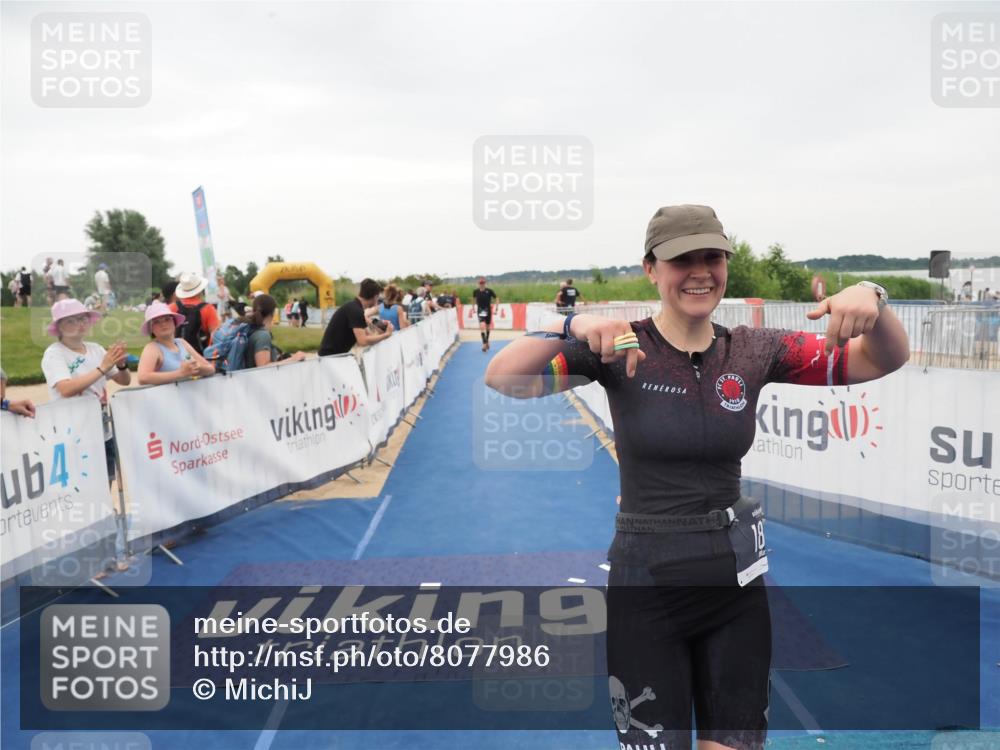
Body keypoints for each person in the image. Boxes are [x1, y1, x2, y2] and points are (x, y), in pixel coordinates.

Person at [485, 204, 910, 750]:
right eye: (682, 259)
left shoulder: (755, 350)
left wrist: (874, 295)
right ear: (650, 270)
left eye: (712, 256)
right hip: (648, 587)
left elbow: (882, 360)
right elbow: (504, 377)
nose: (700, 271)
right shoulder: (621, 346)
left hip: (736, 588)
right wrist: (576, 324)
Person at [41, 298, 132, 484]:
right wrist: (102, 368)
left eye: (82, 319)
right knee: (81, 485)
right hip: (74, 434)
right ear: (59, 328)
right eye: (71, 320)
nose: (79, 324)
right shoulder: (54, 353)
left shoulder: (95, 349)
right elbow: (65, 389)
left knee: (107, 481)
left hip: (102, 430)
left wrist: (121, 365)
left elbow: (124, 381)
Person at [137, 301, 215, 385]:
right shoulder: (152, 348)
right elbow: (143, 378)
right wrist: (180, 373)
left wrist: (197, 367)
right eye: (156, 321)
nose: (163, 324)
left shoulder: (181, 343)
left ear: (174, 322)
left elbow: (211, 369)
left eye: (167, 319)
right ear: (151, 328)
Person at [319, 278, 394, 356]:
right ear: (375, 297)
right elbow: (363, 341)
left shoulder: (354, 307)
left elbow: (369, 335)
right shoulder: (356, 311)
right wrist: (386, 335)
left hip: (332, 356)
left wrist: (381, 326)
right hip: (329, 358)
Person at [239, 294, 306, 368]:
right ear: (273, 312)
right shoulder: (262, 335)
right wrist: (293, 359)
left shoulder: (251, 328)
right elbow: (263, 367)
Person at [170, 271, 220, 354]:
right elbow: (215, 335)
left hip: (177, 355)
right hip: (201, 355)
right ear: (200, 290)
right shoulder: (208, 308)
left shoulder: (172, 307)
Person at [472, 277, 498, 351]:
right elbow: (473, 299)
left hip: (488, 310)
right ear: (479, 284)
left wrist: (496, 308)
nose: (482, 284)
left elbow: (496, 298)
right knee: (482, 326)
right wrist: (473, 308)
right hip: (480, 310)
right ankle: (484, 343)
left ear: (485, 283)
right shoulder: (475, 291)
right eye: (480, 283)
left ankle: (487, 341)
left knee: (487, 327)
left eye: (483, 283)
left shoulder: (489, 291)